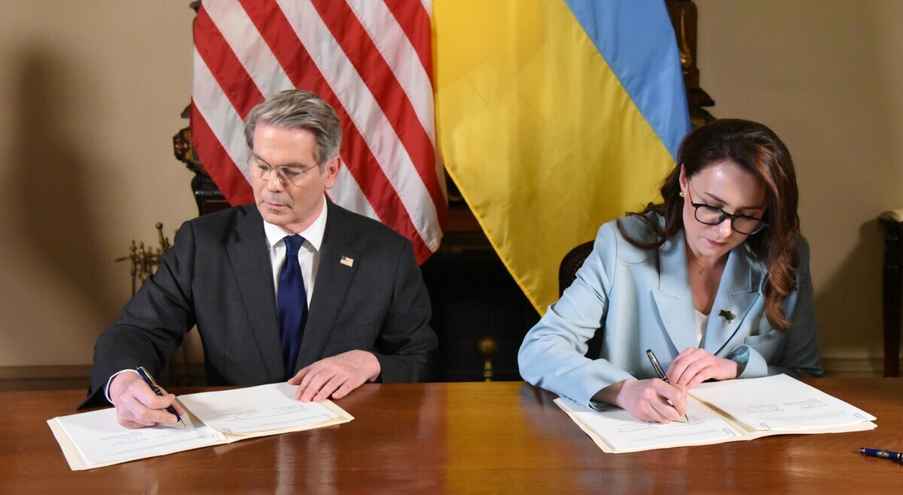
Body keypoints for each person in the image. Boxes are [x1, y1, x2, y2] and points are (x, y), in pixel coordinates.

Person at [86, 90, 437, 428]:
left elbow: (422, 359)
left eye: (292, 171)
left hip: (349, 441)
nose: (272, 185)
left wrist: (370, 362)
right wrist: (124, 381)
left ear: (330, 172)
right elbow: (137, 331)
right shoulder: (203, 243)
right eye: (262, 166)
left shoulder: (386, 253)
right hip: (236, 439)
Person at [518, 119, 822, 423]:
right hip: (641, 439)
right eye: (712, 206)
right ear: (684, 181)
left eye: (747, 215)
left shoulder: (785, 254)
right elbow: (539, 350)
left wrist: (737, 369)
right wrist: (622, 391)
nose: (724, 231)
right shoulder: (621, 245)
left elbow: (806, 373)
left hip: (745, 443)